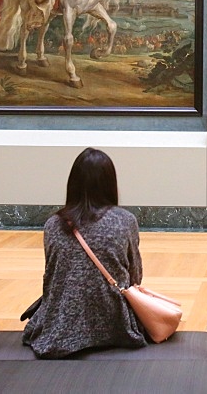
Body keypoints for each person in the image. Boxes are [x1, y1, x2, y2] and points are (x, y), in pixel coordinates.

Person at [23, 148, 146, 358]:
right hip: (115, 323)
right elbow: (135, 278)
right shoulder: (125, 220)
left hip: (60, 326)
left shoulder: (53, 224)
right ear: (110, 183)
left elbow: (52, 276)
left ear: (73, 184)